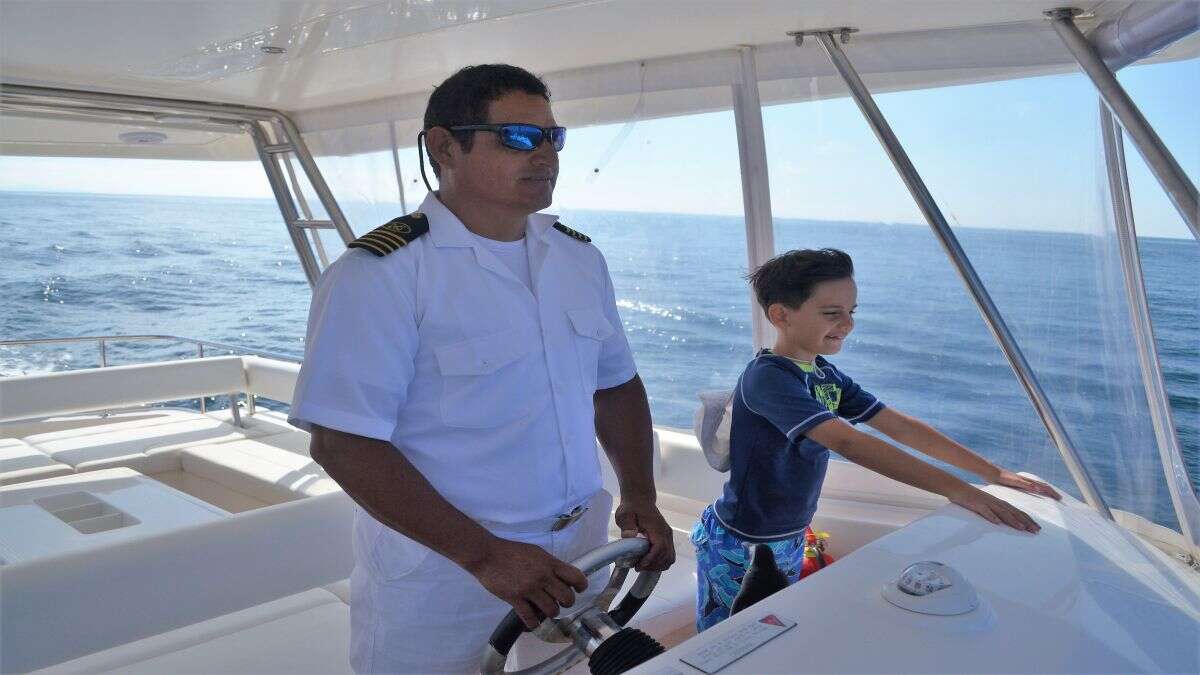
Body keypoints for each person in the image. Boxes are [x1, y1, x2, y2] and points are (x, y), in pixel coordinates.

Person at [289, 64, 675, 673]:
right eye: (519, 137)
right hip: (444, 572)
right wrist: (486, 556)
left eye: (553, 137)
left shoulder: (578, 259)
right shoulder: (381, 274)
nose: (545, 154)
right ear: (445, 148)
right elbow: (342, 442)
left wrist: (641, 495)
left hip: (579, 552)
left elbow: (616, 385)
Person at [692, 248, 1061, 631]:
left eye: (852, 311)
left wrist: (991, 472)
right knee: (725, 640)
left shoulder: (824, 374)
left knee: (768, 630)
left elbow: (897, 425)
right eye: (832, 313)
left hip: (788, 536)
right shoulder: (768, 377)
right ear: (781, 316)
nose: (848, 324)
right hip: (741, 541)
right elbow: (848, 443)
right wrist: (959, 491)